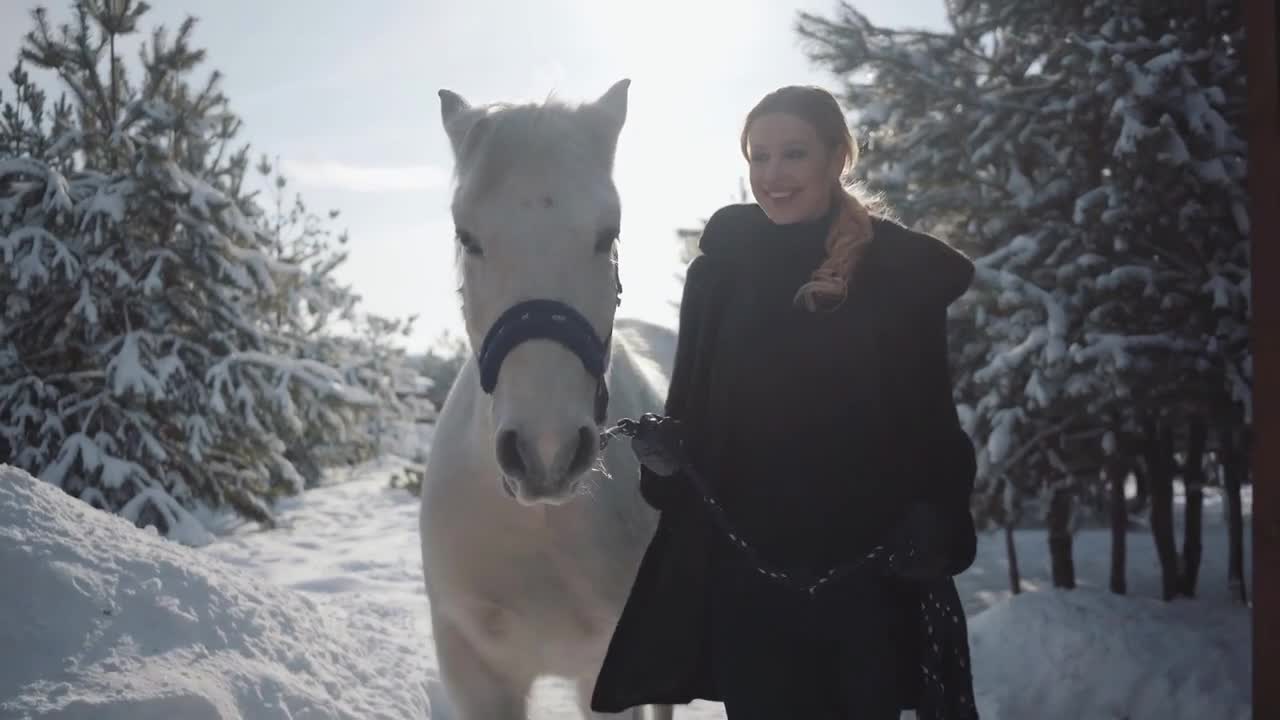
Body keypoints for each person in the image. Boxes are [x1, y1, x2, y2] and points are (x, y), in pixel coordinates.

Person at [590, 85, 981, 719]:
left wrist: (936, 518)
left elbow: (932, 422)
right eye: (759, 156)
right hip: (751, 581)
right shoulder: (720, 274)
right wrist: (666, 460)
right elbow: (689, 410)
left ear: (837, 158)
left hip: (866, 580)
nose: (772, 175)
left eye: (792, 154)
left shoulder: (895, 272)